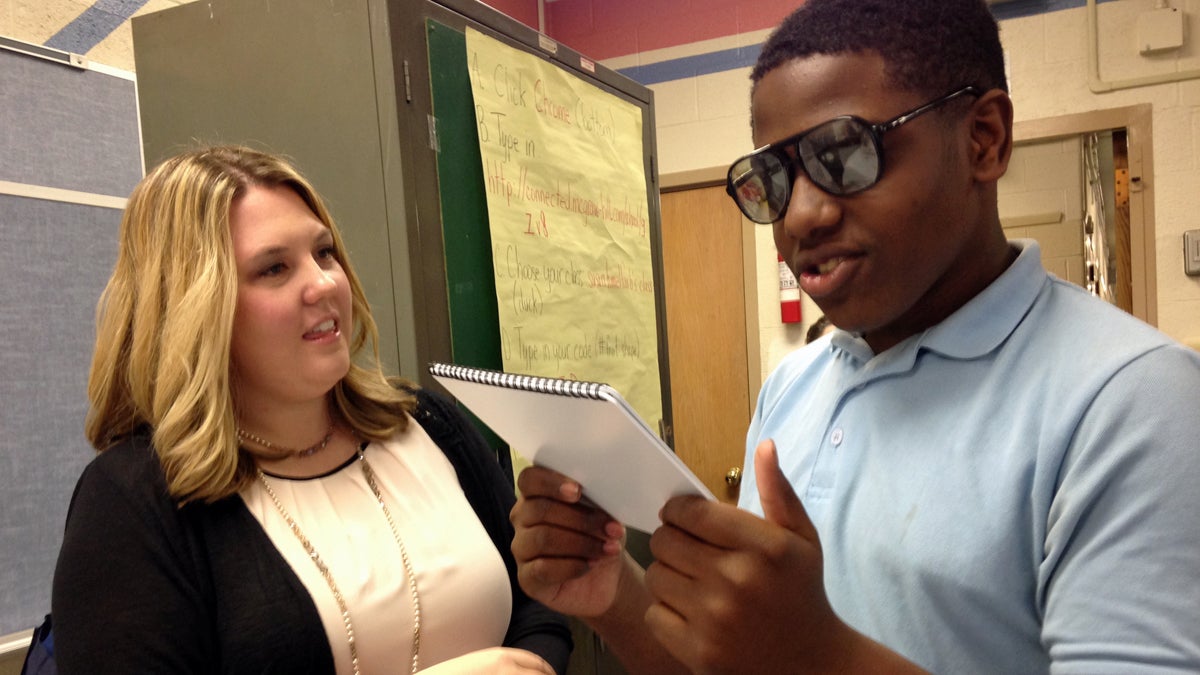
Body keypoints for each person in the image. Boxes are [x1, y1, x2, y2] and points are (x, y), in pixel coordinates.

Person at [508, 0, 1200, 672]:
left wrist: (819, 656)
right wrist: (615, 595)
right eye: (775, 177)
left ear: (982, 139)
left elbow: (792, 656)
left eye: (845, 153)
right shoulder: (793, 386)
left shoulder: (1135, 401)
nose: (802, 215)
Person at [51, 145, 572, 674]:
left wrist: (533, 664)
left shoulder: (428, 426)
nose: (326, 282)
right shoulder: (133, 504)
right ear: (195, 306)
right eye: (274, 268)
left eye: (324, 253)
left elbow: (538, 601)